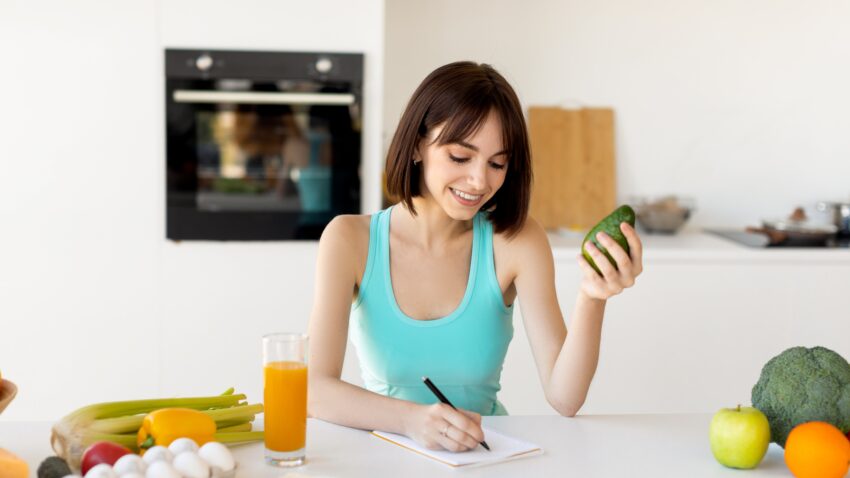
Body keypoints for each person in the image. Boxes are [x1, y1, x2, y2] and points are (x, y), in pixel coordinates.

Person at [307, 61, 643, 452]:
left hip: (486, 458)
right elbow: (313, 391)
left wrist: (593, 296)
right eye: (460, 157)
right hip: (387, 458)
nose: (480, 181)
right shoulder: (349, 240)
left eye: (497, 163)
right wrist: (412, 420)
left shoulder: (517, 240)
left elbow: (565, 398)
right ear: (417, 145)